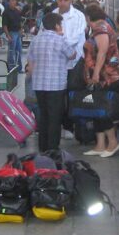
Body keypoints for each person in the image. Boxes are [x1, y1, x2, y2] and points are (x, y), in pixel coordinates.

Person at [28, 12, 77, 152]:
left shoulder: (35, 40)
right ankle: (52, 148)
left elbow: (31, 59)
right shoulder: (60, 40)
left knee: (44, 116)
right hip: (56, 86)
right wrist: (62, 35)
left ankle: (42, 148)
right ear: (56, 25)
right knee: (55, 118)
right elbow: (72, 54)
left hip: (39, 84)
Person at [83, 4, 119, 158]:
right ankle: (100, 145)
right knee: (96, 110)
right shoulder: (100, 27)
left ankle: (113, 142)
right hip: (101, 77)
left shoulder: (101, 29)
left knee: (103, 110)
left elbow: (102, 53)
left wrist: (95, 75)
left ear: (88, 17)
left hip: (106, 77)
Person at [53, 0, 88, 138]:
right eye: (60, 0)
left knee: (73, 93)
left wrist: (57, 40)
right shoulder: (52, 15)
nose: (63, 3)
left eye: (66, 0)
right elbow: (44, 33)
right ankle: (61, 125)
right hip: (57, 62)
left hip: (75, 62)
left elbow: (74, 39)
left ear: (71, 0)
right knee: (58, 95)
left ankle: (72, 126)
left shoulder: (79, 16)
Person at [3, 0, 24, 71]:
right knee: (11, 51)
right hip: (11, 32)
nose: (14, 2)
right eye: (12, 0)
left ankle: (19, 68)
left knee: (19, 51)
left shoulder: (17, 11)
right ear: (8, 2)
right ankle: (11, 68)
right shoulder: (6, 12)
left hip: (18, 33)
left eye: (15, 0)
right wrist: (8, 35)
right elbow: (4, 25)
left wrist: (21, 29)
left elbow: (20, 21)